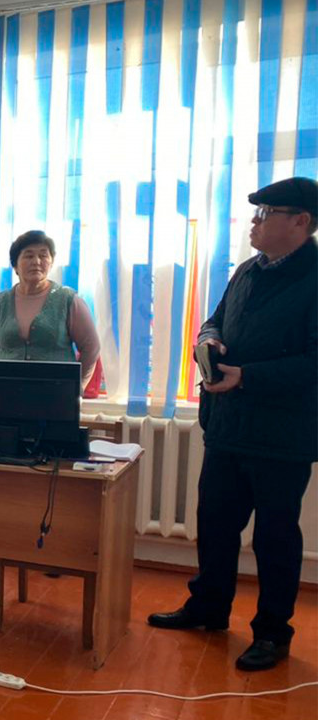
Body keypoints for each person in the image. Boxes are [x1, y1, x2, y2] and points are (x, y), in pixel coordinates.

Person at [148, 177, 317, 672]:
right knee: (216, 523)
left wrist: (249, 376)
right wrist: (209, 340)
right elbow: (213, 320)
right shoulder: (247, 269)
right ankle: (208, 607)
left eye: (265, 214)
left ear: (301, 221)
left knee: (275, 538)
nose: (254, 222)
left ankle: (272, 632)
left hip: (281, 435)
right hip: (227, 426)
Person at [0, 230, 101, 389]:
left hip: (56, 394)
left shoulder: (68, 300)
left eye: (43, 256)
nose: (36, 261)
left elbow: (91, 347)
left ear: (51, 262)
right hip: (6, 392)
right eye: (29, 256)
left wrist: (76, 388)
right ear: (15, 265)